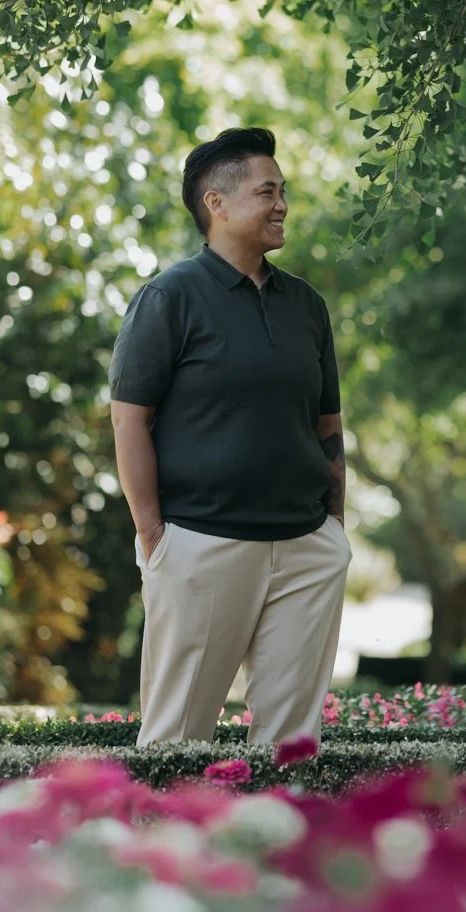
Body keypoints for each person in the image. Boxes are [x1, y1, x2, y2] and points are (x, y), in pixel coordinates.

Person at [108, 127, 351, 745]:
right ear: (215, 203)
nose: (282, 206)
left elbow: (327, 426)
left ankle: (278, 817)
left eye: (283, 192)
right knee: (176, 741)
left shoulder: (307, 305)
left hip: (305, 549)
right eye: (267, 192)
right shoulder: (168, 297)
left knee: (292, 747)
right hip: (201, 543)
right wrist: (155, 539)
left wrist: (335, 528)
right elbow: (128, 421)